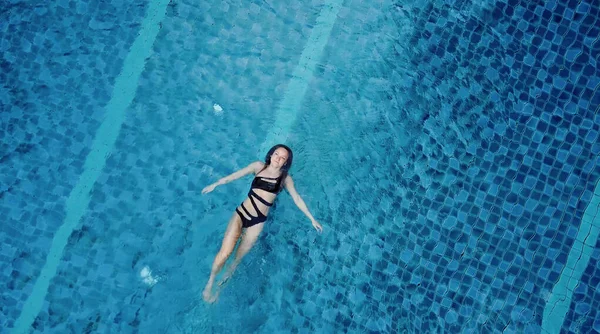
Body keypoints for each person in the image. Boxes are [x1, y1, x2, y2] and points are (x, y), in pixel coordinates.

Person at [201, 144, 323, 302]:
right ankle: (210, 283)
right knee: (225, 253)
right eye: (276, 154)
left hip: (257, 223)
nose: (278, 158)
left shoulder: (285, 179)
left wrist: (311, 218)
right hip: (241, 214)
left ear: (285, 162)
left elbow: (297, 198)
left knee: (236, 261)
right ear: (271, 155)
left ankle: (218, 289)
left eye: (282, 158)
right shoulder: (258, 166)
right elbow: (235, 175)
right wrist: (216, 184)